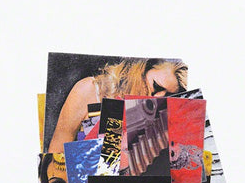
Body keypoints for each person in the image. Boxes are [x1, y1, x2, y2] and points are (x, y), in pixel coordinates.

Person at [47, 58, 187, 152]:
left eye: (167, 96)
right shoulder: (89, 89)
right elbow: (56, 153)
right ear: (142, 70)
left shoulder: (160, 118)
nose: (156, 98)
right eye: (156, 86)